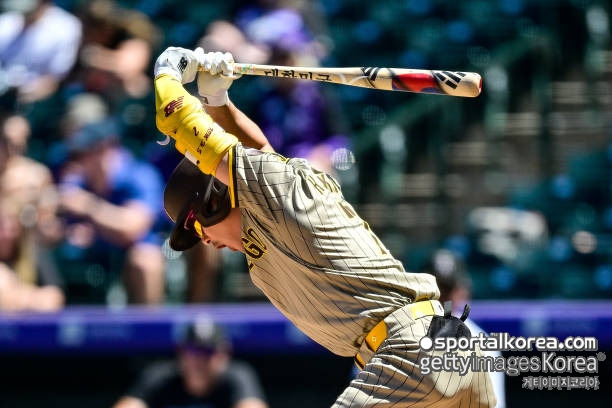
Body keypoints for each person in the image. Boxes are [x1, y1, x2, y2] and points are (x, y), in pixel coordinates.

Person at [152, 47, 496, 407]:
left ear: (212, 203)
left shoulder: (279, 190)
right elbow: (260, 150)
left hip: (411, 350)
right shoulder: (268, 223)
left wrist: (167, 72)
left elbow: (175, 119)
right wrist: (215, 99)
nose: (205, 241)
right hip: (439, 349)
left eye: (195, 228)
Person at [56, 117, 166, 304]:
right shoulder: (77, 181)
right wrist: (62, 231)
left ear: (108, 148)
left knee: (145, 260)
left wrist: (89, 207)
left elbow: (132, 228)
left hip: (132, 259)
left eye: (85, 153)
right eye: (76, 155)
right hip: (93, 258)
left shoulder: (141, 176)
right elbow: (53, 225)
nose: (79, 162)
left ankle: (147, 331)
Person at [112, 317, 268, 408]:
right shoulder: (161, 376)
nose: (198, 360)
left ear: (224, 354)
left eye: (207, 352)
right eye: (192, 351)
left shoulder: (236, 376)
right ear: (180, 353)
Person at [425, 249, 507, 408]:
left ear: (463, 291)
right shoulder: (396, 334)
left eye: (447, 290)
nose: (440, 296)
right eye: (434, 288)